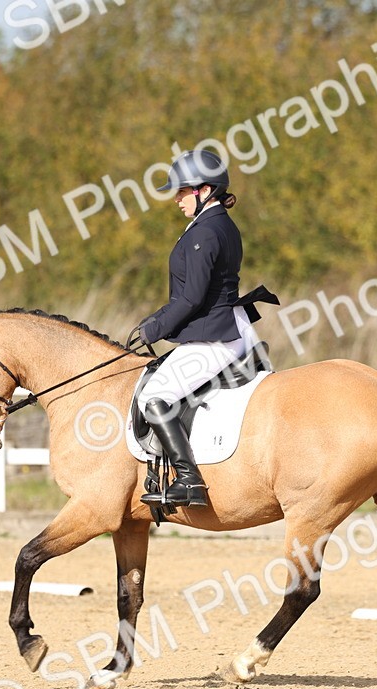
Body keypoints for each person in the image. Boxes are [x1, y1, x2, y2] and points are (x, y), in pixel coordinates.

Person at [133, 150, 262, 508]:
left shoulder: (204, 231)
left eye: (181, 191)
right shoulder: (218, 224)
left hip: (214, 336)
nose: (176, 199)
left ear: (204, 189)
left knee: (152, 397)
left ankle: (189, 480)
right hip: (225, 328)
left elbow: (191, 298)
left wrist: (155, 327)